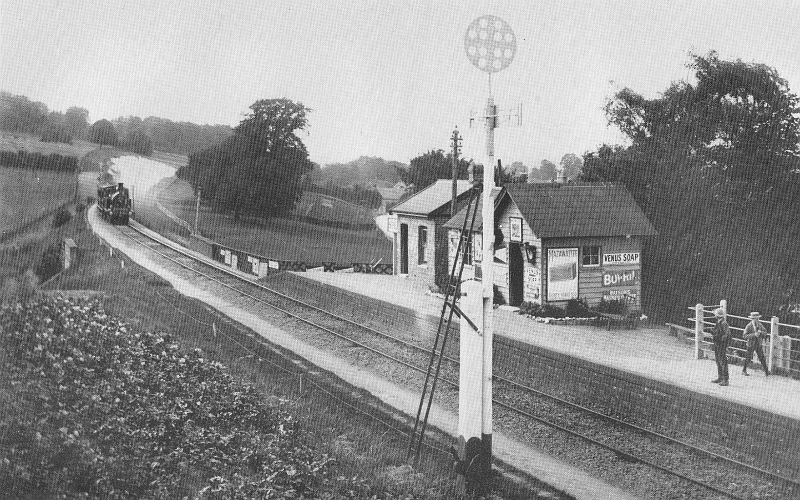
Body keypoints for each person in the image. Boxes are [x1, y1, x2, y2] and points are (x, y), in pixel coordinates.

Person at [742, 312, 770, 376]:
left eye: (757, 318)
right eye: (755, 319)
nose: (757, 320)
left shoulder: (760, 325)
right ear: (752, 319)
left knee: (762, 357)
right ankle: (744, 370)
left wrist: (761, 333)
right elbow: (744, 336)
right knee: (748, 357)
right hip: (751, 344)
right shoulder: (749, 326)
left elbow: (765, 332)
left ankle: (766, 371)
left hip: (758, 344)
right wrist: (754, 335)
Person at [711, 307, 731, 386]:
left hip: (721, 345)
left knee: (723, 362)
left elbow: (728, 334)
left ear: (717, 315)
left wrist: (720, 338)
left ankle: (725, 380)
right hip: (717, 344)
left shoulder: (723, 323)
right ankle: (720, 377)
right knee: (718, 361)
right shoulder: (719, 322)